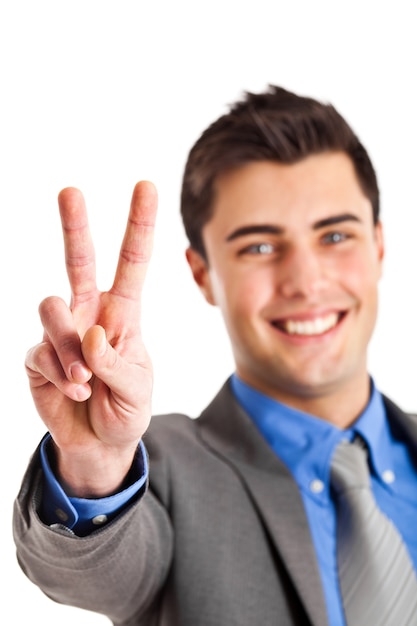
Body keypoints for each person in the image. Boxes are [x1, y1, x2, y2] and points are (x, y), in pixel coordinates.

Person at [12, 85, 417, 626]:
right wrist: (94, 464)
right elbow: (89, 570)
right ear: (203, 273)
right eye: (259, 246)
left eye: (335, 235)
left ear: (379, 246)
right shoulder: (159, 474)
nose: (305, 281)